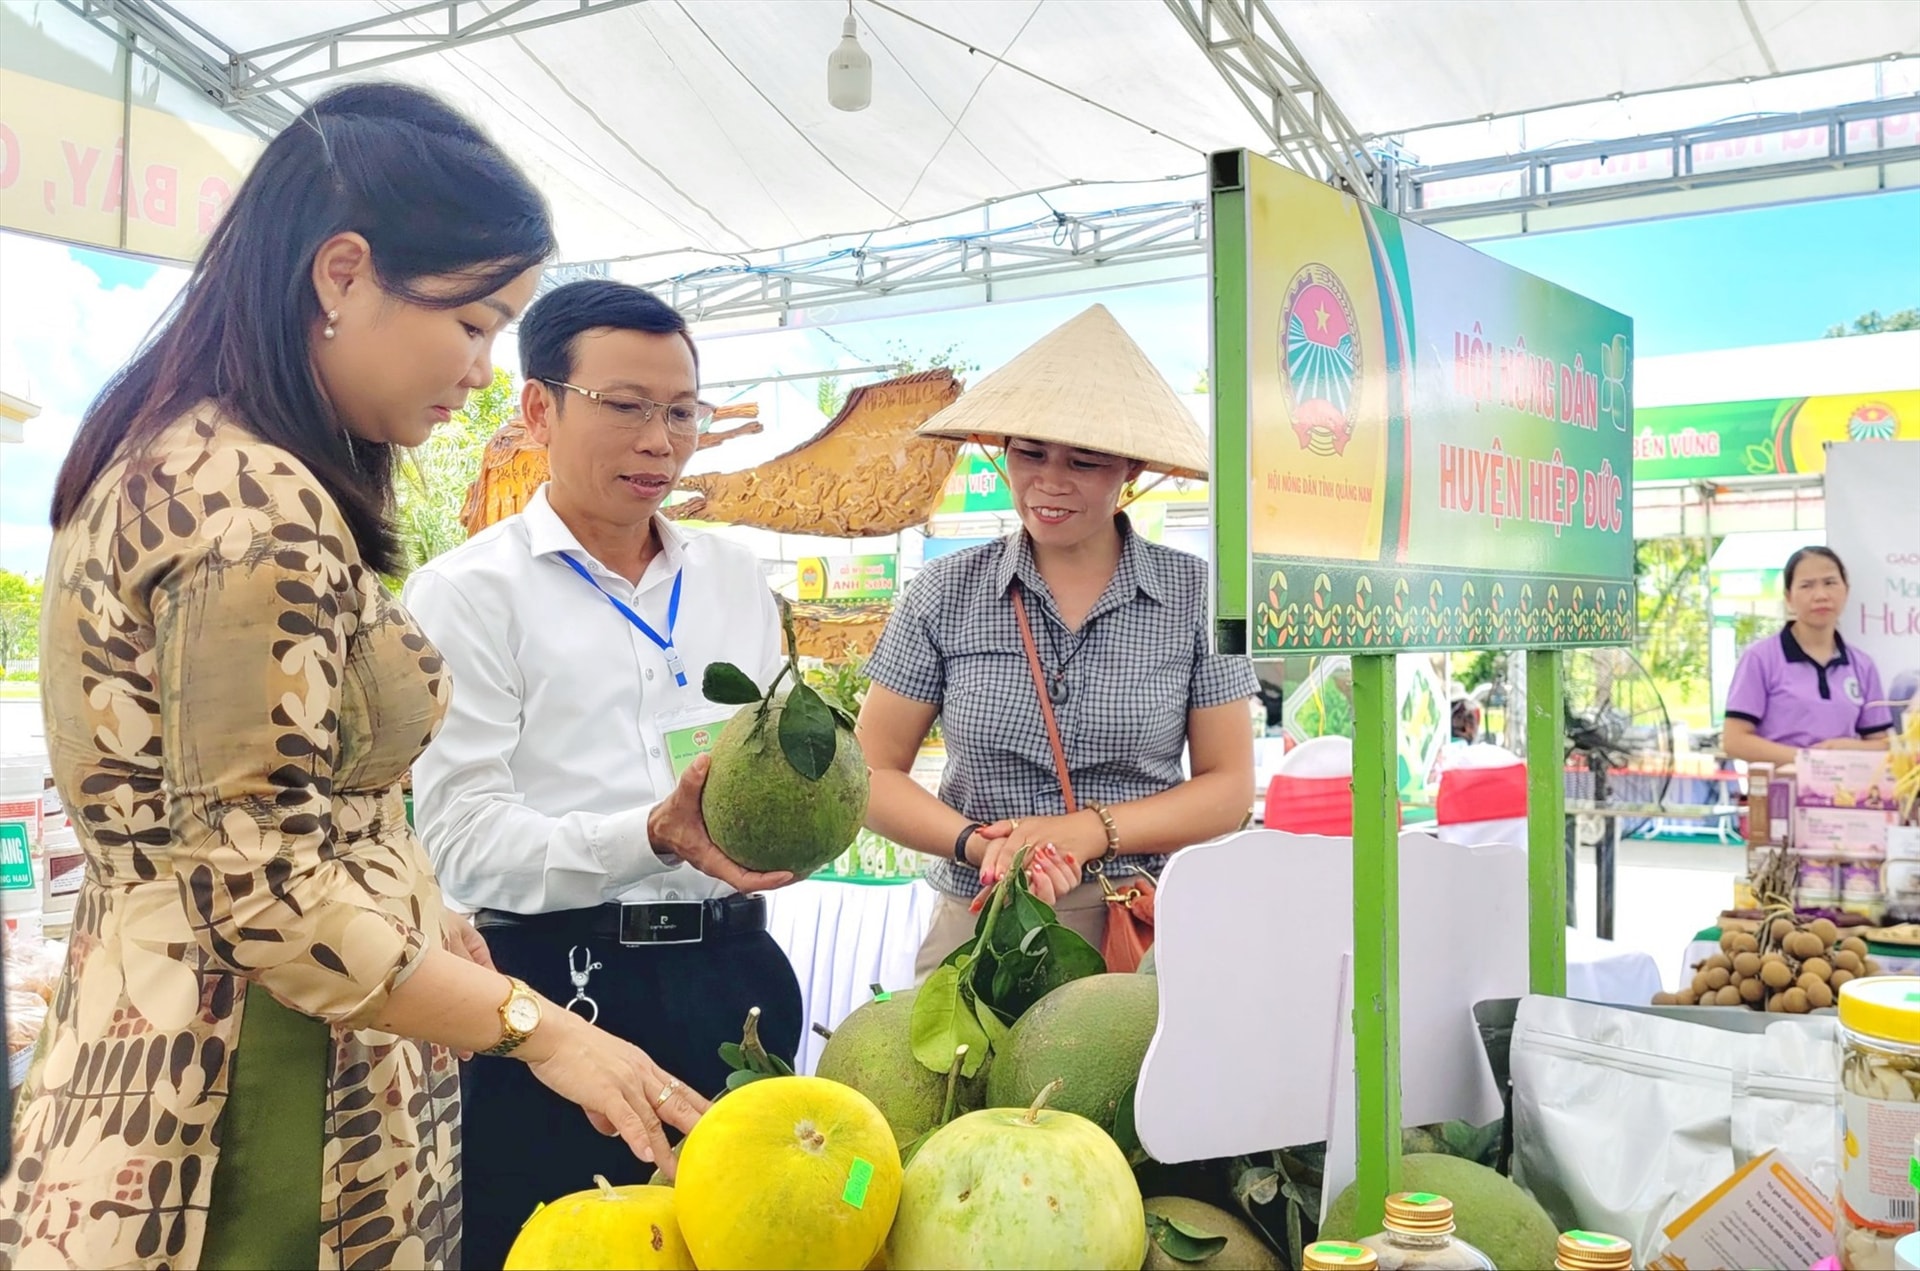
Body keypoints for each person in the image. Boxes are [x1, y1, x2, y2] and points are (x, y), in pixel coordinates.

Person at [0, 86, 707, 1271]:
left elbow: (289, 812)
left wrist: (431, 915)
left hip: (229, 1045)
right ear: (342, 275)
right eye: (475, 321)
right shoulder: (244, 513)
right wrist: (542, 1030)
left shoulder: (211, 463)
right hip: (251, 1098)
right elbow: (266, 893)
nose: (484, 369)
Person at [403, 280, 803, 1270]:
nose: (660, 440)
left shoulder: (732, 580)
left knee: (754, 1242)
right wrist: (651, 833)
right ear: (539, 408)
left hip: (735, 971)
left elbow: (765, 761)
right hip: (556, 992)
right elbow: (463, 842)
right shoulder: (467, 595)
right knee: (559, 1242)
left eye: (681, 412)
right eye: (625, 406)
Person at [853, 304, 1258, 975]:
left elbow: (1229, 786)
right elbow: (868, 774)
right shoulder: (944, 592)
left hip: (1135, 928)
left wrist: (1088, 830)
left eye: (1085, 461)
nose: (1050, 481)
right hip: (977, 928)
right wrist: (977, 845)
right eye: (1030, 453)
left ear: (1128, 470)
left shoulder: (1195, 596)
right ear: (1002, 453)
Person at [1723, 545, 1894, 766]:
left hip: (1846, 795)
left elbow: (1884, 745)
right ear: (1789, 597)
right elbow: (1734, 740)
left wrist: (1846, 749)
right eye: (1806, 586)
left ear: (1846, 590)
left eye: (1830, 583)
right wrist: (1809, 761)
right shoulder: (1760, 658)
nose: (1821, 595)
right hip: (1780, 793)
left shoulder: (1862, 665)